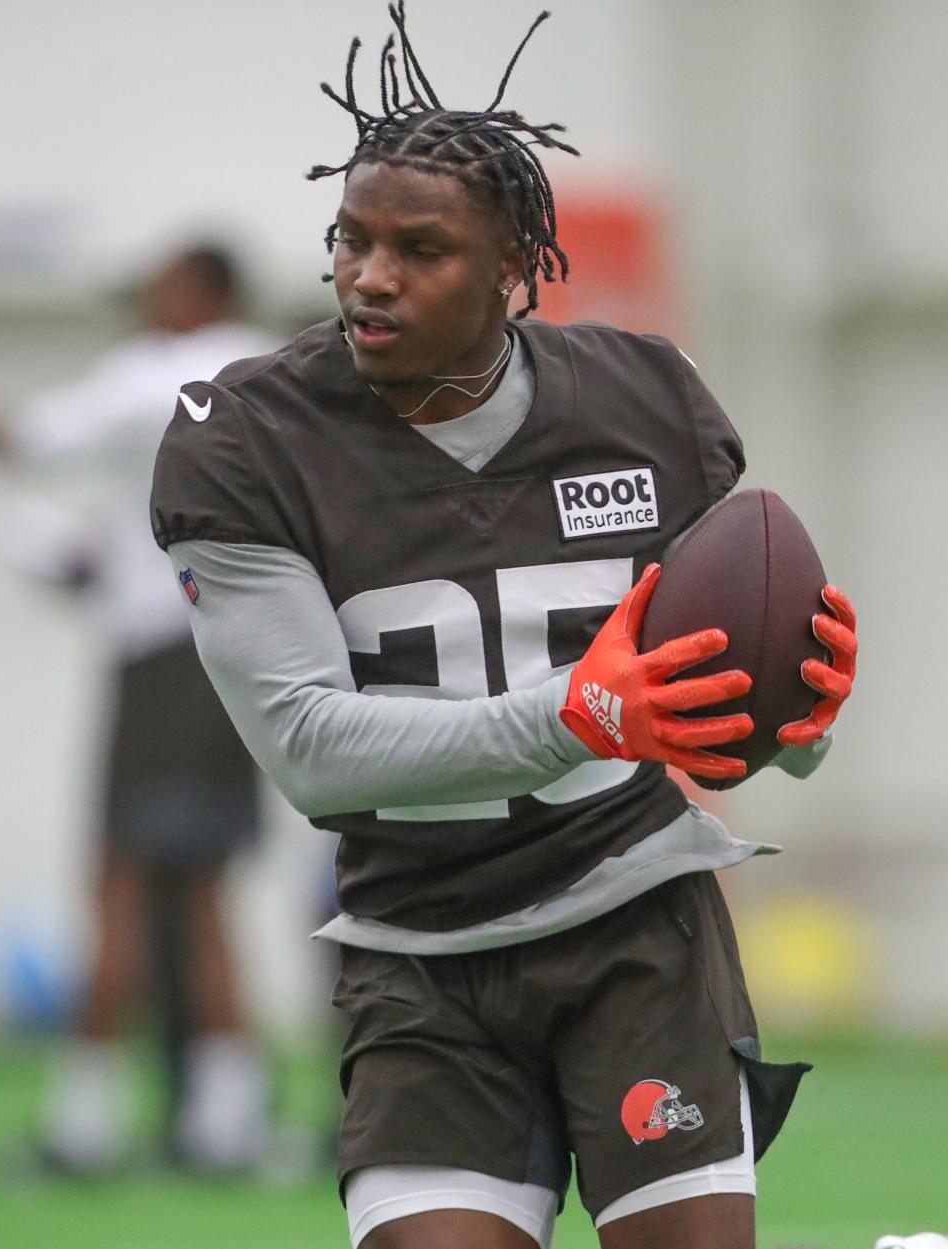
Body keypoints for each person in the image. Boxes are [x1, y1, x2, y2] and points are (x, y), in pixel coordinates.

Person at [150, 7, 857, 1246]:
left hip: (637, 919)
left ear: (517, 267)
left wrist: (797, 719)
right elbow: (309, 747)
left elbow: (716, 710)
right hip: (418, 951)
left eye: (420, 248)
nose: (371, 277)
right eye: (351, 240)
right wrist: (579, 711)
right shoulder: (248, 440)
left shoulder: (646, 402)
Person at [0, 245, 278, 1173]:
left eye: (158, 289)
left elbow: (24, 437)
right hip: (228, 657)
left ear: (204, 289)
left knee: (121, 881)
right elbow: (109, 547)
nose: (143, 309)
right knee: (204, 890)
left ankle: (88, 1125)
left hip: (163, 663)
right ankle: (221, 1123)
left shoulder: (175, 365)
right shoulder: (269, 372)